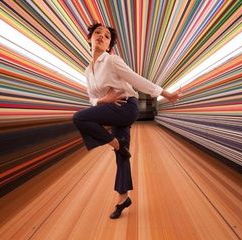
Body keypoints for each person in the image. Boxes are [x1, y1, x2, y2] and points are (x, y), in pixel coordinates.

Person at [72, 22, 180, 219]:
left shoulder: (112, 60)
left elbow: (136, 79)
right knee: (122, 155)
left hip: (127, 107)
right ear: (89, 38)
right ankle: (123, 199)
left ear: (109, 45)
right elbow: (91, 98)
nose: (101, 37)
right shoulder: (87, 71)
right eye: (97, 33)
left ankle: (116, 143)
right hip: (111, 108)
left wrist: (165, 94)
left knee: (79, 118)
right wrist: (102, 100)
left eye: (106, 36)